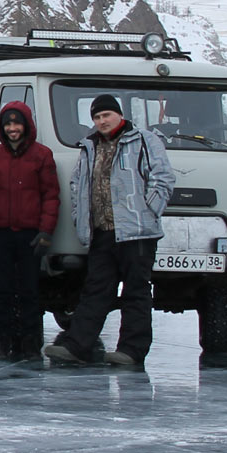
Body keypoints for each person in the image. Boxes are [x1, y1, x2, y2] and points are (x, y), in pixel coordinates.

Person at [45, 95, 176, 367]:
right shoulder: (90, 147)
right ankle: (77, 346)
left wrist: (149, 209)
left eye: (106, 115)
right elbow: (77, 184)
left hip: (137, 232)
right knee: (95, 290)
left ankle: (131, 350)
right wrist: (80, 216)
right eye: (97, 117)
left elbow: (162, 178)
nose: (102, 121)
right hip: (102, 230)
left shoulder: (144, 140)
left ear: (119, 115)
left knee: (136, 292)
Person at [0, 99, 60, 360]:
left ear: (26, 125)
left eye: (17, 123)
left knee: (29, 290)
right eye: (8, 124)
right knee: (1, 290)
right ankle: (3, 340)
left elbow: (50, 195)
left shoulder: (42, 155)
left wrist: (46, 231)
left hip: (30, 234)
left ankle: (30, 342)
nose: (13, 128)